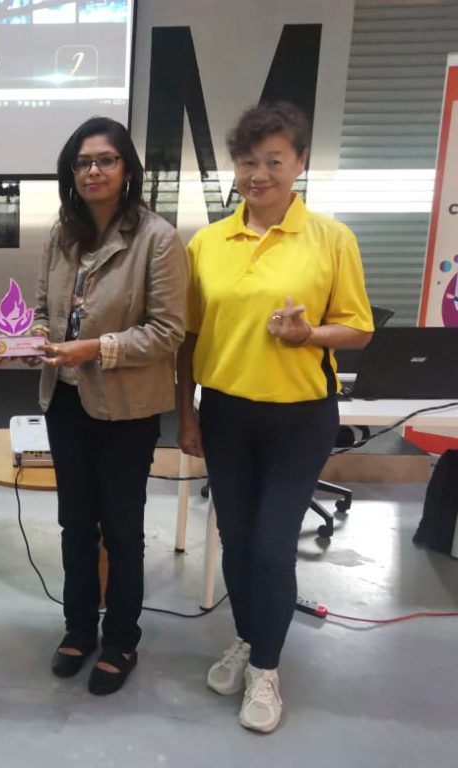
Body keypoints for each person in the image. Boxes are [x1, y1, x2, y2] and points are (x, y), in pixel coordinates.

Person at [177, 102, 373, 733]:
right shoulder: (207, 243)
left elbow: (359, 330)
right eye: (246, 161)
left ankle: (265, 668)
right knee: (236, 541)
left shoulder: (331, 239)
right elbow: (189, 338)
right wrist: (186, 413)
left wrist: (309, 334)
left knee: (270, 545)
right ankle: (248, 636)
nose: (258, 174)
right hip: (226, 414)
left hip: (300, 417)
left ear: (300, 163)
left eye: (273, 161)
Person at [30, 116, 188, 695]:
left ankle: (121, 639)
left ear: (127, 169)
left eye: (105, 160)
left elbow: (168, 331)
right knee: (75, 523)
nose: (92, 171)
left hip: (126, 408)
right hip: (65, 400)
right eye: (82, 162)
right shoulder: (62, 234)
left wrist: (96, 348)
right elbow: (44, 306)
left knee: (121, 529)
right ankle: (79, 628)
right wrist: (37, 338)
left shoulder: (158, 239)